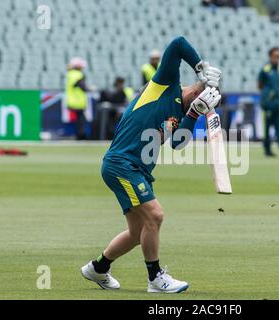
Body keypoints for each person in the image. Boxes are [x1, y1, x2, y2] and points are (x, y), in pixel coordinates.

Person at [81, 36, 221, 293]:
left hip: (136, 170)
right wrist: (200, 67)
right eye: (204, 101)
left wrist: (194, 113)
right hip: (121, 163)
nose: (204, 106)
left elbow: (178, 144)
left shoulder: (182, 114)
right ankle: (156, 278)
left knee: (137, 231)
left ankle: (98, 268)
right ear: (197, 89)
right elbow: (178, 44)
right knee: (155, 215)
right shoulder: (165, 84)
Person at [65, 57, 90, 140]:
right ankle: (81, 135)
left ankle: (79, 135)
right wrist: (89, 88)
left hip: (72, 100)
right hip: (77, 101)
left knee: (78, 119)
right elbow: (82, 86)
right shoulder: (77, 74)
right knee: (81, 120)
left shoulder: (69, 74)